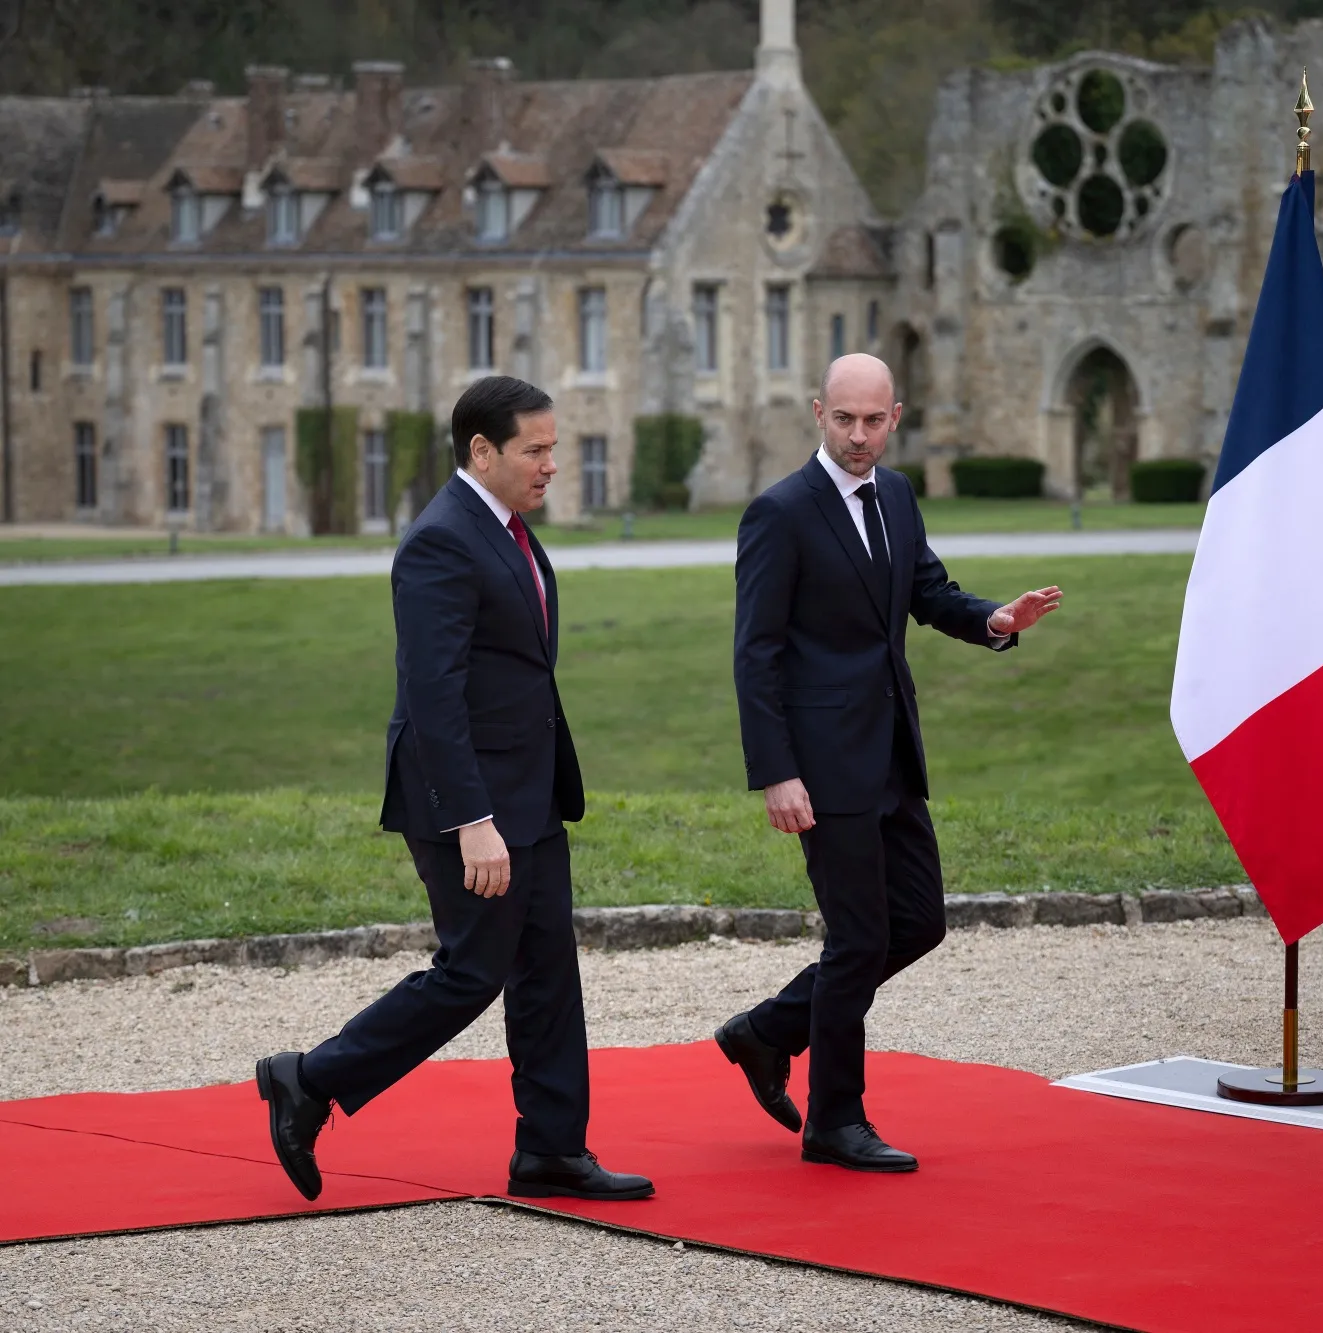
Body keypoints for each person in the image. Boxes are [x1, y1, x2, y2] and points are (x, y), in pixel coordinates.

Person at [255, 375, 652, 1204]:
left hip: (530, 792)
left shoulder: (504, 529)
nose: (551, 465)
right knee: (474, 969)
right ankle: (309, 1079)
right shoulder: (441, 540)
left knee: (547, 968)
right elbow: (433, 694)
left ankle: (551, 1148)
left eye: (553, 448)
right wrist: (474, 819)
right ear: (481, 449)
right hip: (466, 799)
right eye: (534, 451)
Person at [718, 352, 1063, 1172]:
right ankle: (835, 1123)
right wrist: (776, 770)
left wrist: (996, 619)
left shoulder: (898, 496)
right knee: (859, 937)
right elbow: (755, 654)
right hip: (820, 767)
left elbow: (929, 593)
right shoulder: (780, 513)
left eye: (874, 420)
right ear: (818, 413)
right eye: (845, 419)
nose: (860, 435)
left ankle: (767, 1031)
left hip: (890, 755)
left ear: (895, 417)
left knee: (917, 921)